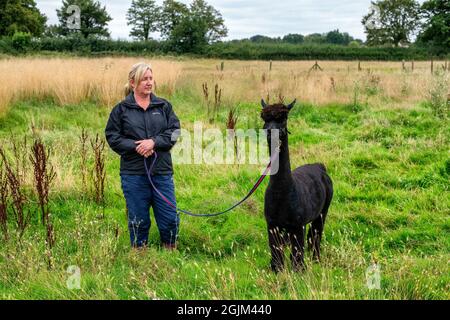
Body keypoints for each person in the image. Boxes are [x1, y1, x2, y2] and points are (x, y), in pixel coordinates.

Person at [105, 62, 180, 250]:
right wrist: (135, 146)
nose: (149, 83)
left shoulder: (163, 106)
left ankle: (170, 251)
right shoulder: (121, 110)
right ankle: (139, 256)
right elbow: (112, 136)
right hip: (133, 173)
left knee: (169, 216)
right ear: (133, 83)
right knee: (138, 218)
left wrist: (154, 142)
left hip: (161, 171)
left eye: (150, 78)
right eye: (144, 79)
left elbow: (175, 131)